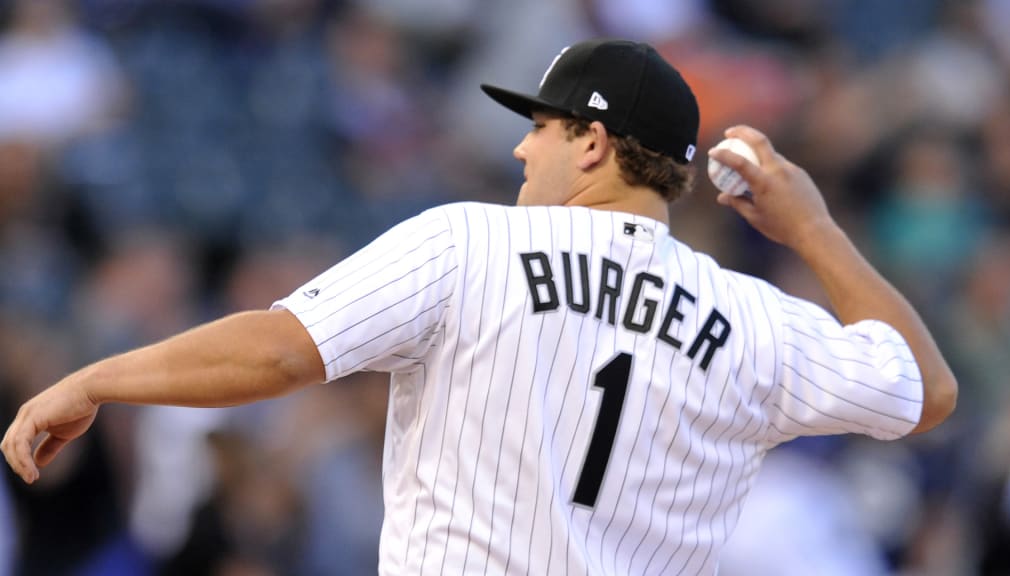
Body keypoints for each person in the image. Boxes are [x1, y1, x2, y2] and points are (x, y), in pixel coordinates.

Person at [2, 38, 957, 575]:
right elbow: (926, 391)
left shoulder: (468, 242)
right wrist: (816, 229)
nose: (519, 152)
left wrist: (98, 377)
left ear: (592, 142)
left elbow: (282, 351)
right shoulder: (754, 319)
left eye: (538, 129)